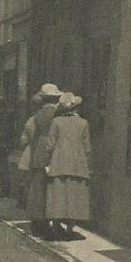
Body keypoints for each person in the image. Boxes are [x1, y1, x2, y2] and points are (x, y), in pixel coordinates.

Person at [44, 92, 91, 240]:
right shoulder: (83, 123)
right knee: (75, 197)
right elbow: (87, 147)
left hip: (59, 164)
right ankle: (70, 228)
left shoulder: (56, 122)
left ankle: (56, 225)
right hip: (78, 166)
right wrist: (88, 164)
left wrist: (47, 162)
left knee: (58, 196)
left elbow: (49, 145)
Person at [26, 84, 62, 238]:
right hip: (53, 152)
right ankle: (47, 223)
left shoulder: (38, 115)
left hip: (39, 153)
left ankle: (38, 222)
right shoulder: (56, 114)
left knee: (38, 188)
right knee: (51, 189)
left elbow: (30, 133)